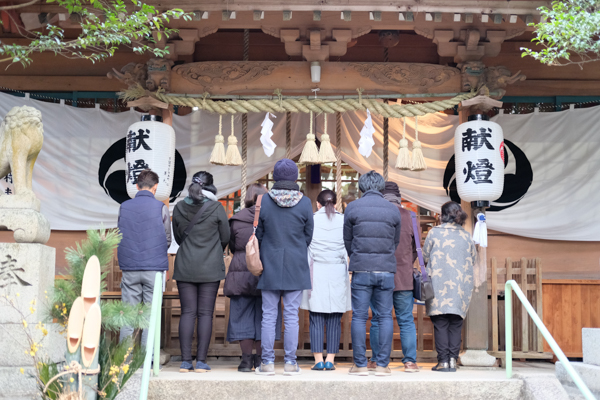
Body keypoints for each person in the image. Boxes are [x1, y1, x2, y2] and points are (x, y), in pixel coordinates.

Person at [254, 159, 314, 376]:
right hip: (296, 264)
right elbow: (308, 235)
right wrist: (296, 248)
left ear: (276, 178)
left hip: (270, 263)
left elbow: (258, 235)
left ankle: (267, 363)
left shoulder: (264, 202)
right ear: (295, 178)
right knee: (291, 316)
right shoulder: (305, 202)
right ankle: (290, 363)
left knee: (268, 316)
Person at [344, 171, 401, 377]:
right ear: (381, 187)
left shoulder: (352, 208)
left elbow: (347, 241)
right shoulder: (392, 210)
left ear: (361, 187)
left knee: (359, 317)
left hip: (361, 268)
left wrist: (358, 257)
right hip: (386, 268)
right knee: (385, 316)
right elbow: (395, 241)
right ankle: (382, 366)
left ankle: (360, 365)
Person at [172, 171, 230, 373]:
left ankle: (186, 361)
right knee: (205, 313)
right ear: (211, 187)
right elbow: (225, 236)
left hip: (185, 264)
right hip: (210, 266)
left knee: (187, 312)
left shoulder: (179, 207)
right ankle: (202, 362)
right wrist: (214, 249)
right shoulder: (216, 208)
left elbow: (179, 238)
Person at [224, 183, 281, 372]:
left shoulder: (236, 220)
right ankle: (260, 359)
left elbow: (232, 246)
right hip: (266, 270)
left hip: (241, 269)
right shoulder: (271, 217)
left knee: (241, 316)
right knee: (265, 316)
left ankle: (246, 360)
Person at [368, 182, 420, 373]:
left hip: (380, 274)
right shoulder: (410, 216)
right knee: (405, 319)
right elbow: (416, 248)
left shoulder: (377, 214)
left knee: (378, 319)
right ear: (399, 197)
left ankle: (376, 360)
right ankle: (410, 362)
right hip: (404, 277)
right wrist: (406, 261)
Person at [117, 169, 171, 347]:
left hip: (130, 267)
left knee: (128, 315)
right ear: (155, 188)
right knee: (150, 315)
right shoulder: (161, 208)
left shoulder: (124, 206)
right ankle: (147, 361)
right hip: (154, 268)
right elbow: (167, 238)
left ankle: (123, 361)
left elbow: (119, 233)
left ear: (136, 186)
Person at [300, 189, 351, 371]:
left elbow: (305, 245)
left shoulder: (312, 219)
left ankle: (317, 360)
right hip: (337, 269)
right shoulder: (344, 220)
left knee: (316, 316)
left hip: (317, 269)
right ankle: (330, 359)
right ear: (336, 204)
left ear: (317, 204)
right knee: (335, 317)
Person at [422, 201, 476, 372]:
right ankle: (453, 361)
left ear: (442, 215)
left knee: (440, 322)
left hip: (438, 285)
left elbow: (424, 256)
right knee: (455, 323)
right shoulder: (466, 235)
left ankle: (443, 361)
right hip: (461, 285)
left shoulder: (434, 233)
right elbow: (473, 259)